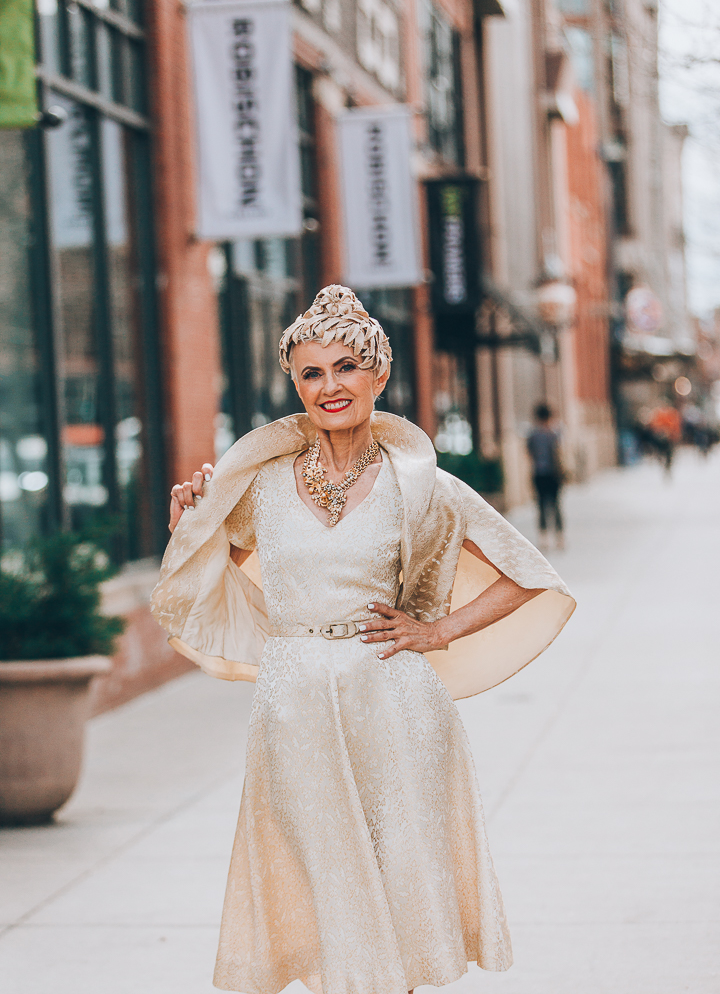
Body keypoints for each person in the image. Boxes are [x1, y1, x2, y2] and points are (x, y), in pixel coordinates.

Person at [151, 285, 576, 994]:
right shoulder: (260, 487)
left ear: (379, 375)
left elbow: (529, 576)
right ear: (296, 385)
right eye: (312, 373)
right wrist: (189, 523)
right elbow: (217, 567)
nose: (330, 386)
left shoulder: (423, 485)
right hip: (293, 705)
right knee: (320, 882)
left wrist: (436, 629)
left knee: (398, 882)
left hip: (394, 698)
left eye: (347, 367)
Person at [526, 404, 566, 550]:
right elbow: (559, 455)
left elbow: (529, 455)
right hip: (553, 474)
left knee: (541, 506)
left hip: (538, 474)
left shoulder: (532, 435)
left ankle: (544, 539)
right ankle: (560, 538)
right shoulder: (554, 434)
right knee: (556, 506)